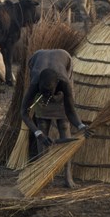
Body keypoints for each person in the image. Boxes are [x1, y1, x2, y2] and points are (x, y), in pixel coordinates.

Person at [21, 48, 91, 188]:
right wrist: (38, 134)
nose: (47, 96)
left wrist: (81, 126)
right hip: (38, 62)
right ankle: (43, 175)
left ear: (57, 85)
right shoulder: (35, 83)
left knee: (64, 126)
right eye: (43, 92)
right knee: (42, 126)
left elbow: (70, 111)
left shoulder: (64, 82)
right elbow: (23, 112)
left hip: (62, 66)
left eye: (49, 93)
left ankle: (68, 176)